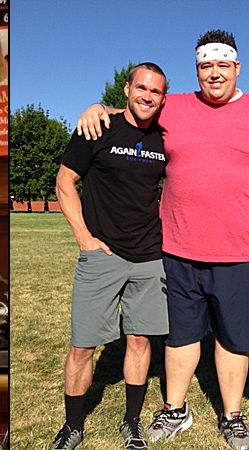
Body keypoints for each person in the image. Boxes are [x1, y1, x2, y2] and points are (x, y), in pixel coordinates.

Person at [76, 30, 249, 450]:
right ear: (196, 70)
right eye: (205, 66)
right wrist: (96, 108)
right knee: (180, 337)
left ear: (236, 68)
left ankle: (232, 417)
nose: (214, 74)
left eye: (222, 65)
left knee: (233, 341)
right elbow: (134, 110)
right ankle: (175, 410)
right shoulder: (174, 106)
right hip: (178, 250)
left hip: (239, 253)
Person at [52, 62, 170, 450]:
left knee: (139, 341)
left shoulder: (166, 135)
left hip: (150, 256)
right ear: (127, 88)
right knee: (82, 346)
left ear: (163, 98)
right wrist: (83, 237)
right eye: (141, 88)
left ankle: (132, 422)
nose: (147, 96)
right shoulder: (98, 127)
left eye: (155, 92)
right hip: (101, 254)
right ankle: (72, 426)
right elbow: (64, 180)